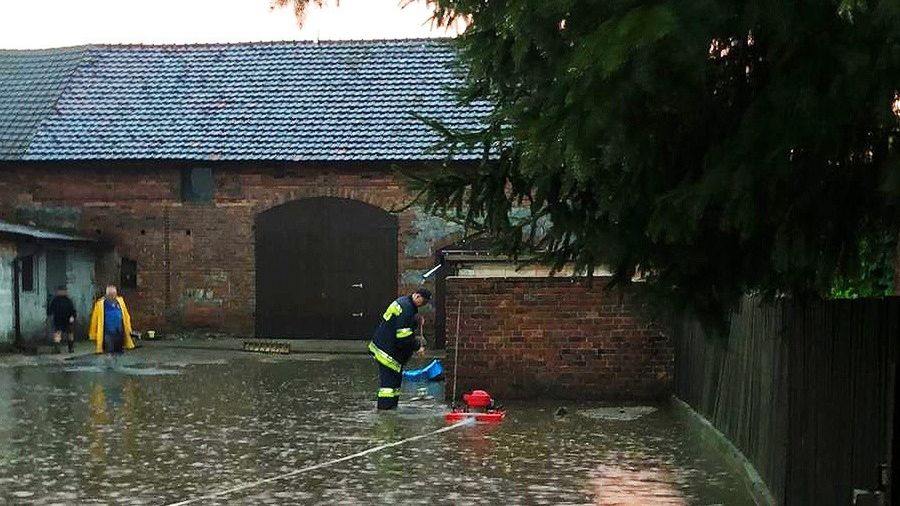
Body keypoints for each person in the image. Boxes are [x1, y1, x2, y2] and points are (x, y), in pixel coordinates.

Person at [368, 288, 431, 410]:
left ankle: (391, 408)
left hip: (385, 347)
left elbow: (400, 323)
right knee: (388, 386)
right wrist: (417, 347)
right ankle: (385, 413)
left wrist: (415, 319)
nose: (422, 305)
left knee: (395, 384)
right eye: (422, 302)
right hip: (387, 352)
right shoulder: (407, 309)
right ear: (417, 296)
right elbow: (403, 337)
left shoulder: (405, 303)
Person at [88, 285, 135, 355]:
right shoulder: (100, 304)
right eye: (110, 294)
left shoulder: (120, 302)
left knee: (119, 351)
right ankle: (109, 364)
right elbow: (94, 320)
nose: (112, 296)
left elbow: (126, 316)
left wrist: (129, 329)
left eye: (114, 294)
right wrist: (93, 335)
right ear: (107, 295)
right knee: (109, 352)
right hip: (108, 333)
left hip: (119, 332)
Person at [47, 285, 77, 354]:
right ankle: (60, 348)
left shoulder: (66, 300)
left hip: (64, 319)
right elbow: (50, 310)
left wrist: (72, 316)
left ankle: (69, 348)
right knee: (60, 334)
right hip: (60, 319)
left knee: (68, 334)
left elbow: (72, 310)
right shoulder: (59, 300)